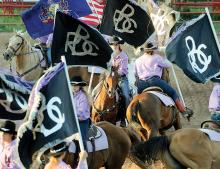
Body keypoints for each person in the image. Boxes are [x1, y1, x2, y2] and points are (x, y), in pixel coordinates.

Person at [134, 42, 193, 119]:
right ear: (153, 50)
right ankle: (183, 111)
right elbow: (169, 65)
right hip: (154, 81)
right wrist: (164, 55)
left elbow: (135, 74)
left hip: (141, 84)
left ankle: (134, 115)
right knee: (173, 92)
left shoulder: (137, 60)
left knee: (136, 99)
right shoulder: (156, 57)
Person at [109, 36, 131, 126]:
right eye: (112, 44)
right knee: (97, 91)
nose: (114, 46)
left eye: (115, 44)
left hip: (121, 79)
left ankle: (126, 117)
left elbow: (122, 70)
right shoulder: (110, 56)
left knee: (126, 96)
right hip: (110, 79)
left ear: (118, 45)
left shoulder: (124, 56)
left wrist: (114, 71)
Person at [71, 76, 90, 151]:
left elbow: (81, 112)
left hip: (82, 122)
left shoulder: (83, 96)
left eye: (76, 85)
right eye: (73, 85)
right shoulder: (71, 95)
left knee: (81, 141)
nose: (74, 87)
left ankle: (85, 157)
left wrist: (71, 114)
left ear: (80, 86)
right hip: (72, 121)